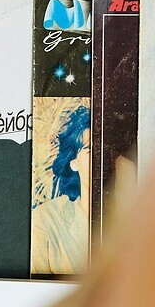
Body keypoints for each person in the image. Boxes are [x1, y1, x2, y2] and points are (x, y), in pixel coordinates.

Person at [31, 105, 90, 274]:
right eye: (90, 150)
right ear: (74, 162)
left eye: (106, 149)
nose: (101, 158)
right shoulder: (46, 219)